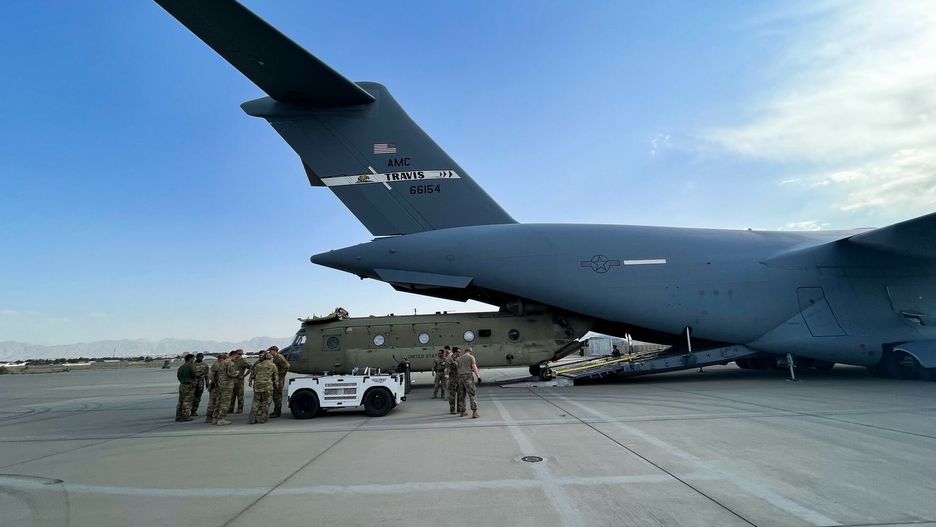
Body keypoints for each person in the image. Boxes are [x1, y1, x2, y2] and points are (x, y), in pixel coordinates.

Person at [213, 349, 243, 426]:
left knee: (219, 401)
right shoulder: (230, 363)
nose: (237, 358)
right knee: (225, 402)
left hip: (221, 384)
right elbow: (231, 373)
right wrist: (237, 373)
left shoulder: (222, 362)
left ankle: (215, 418)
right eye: (236, 356)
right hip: (227, 385)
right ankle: (221, 419)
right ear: (233, 355)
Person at [248, 350, 277, 424]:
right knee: (266, 403)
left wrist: (251, 382)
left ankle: (252, 419)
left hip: (257, 386)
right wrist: (276, 386)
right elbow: (275, 377)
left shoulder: (258, 365)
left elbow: (253, 375)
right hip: (267, 387)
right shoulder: (273, 365)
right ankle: (263, 419)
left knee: (255, 403)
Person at [456, 347, 481, 418]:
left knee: (462, 395)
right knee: (472, 394)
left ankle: (462, 411)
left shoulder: (459, 358)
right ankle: (474, 412)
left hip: (460, 377)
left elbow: (458, 368)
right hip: (468, 376)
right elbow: (474, 367)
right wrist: (478, 376)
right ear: (470, 351)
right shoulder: (471, 357)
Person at [204, 353, 227, 424]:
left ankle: (212, 417)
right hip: (215, 386)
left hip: (216, 385)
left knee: (215, 402)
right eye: (224, 359)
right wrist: (216, 383)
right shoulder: (217, 365)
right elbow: (210, 375)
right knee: (213, 402)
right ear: (220, 359)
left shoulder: (219, 364)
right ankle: (209, 417)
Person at [269, 346, 290, 418]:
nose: (270, 352)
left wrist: (281, 375)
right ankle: (276, 411)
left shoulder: (279, 357)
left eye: (271, 351)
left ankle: (277, 412)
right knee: (276, 396)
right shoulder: (274, 358)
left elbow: (287, 365)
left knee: (277, 396)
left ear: (275, 351)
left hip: (279, 380)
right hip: (277, 379)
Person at [175, 354, 197, 422]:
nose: (194, 360)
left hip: (182, 385)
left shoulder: (181, 367)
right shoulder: (191, 366)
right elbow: (195, 374)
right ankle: (186, 416)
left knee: (180, 401)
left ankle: (178, 416)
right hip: (188, 386)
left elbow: (178, 377)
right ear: (190, 359)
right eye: (193, 358)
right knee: (187, 401)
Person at [228, 349, 250, 414]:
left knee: (240, 396)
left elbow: (251, 367)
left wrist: (244, 375)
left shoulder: (242, 361)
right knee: (231, 396)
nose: (239, 355)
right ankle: (230, 409)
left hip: (239, 381)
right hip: (231, 381)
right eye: (238, 354)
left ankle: (240, 409)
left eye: (240, 354)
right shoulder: (232, 360)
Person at [445, 347, 460, 414]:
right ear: (454, 352)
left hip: (459, 379)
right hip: (452, 379)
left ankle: (459, 409)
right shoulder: (449, 359)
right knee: (452, 395)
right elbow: (447, 369)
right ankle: (452, 409)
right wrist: (447, 378)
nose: (459, 353)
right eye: (458, 352)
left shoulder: (459, 359)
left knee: (460, 395)